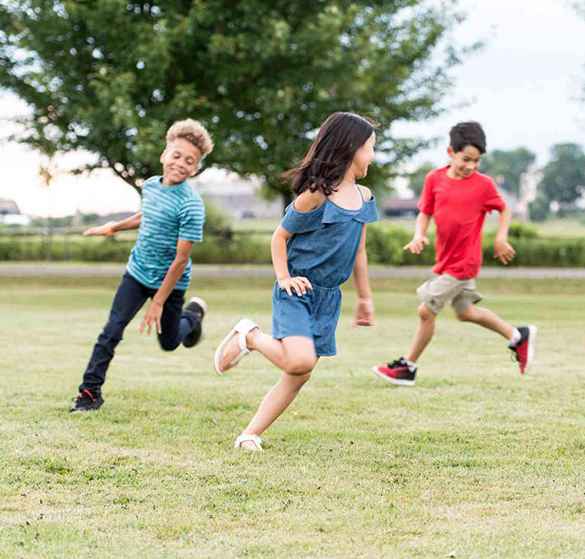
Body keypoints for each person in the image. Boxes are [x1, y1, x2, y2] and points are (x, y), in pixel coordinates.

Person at [213, 112, 377, 451]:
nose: (373, 156)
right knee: (299, 361)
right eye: (371, 148)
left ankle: (249, 435)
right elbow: (279, 236)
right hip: (298, 291)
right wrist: (284, 277)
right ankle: (250, 336)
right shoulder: (316, 194)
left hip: (330, 297)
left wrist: (364, 297)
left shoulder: (365, 196)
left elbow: (359, 251)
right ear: (352, 148)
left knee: (299, 374)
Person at [371, 122, 536, 386]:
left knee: (426, 311)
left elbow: (504, 209)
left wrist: (501, 238)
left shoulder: (484, 185)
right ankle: (518, 336)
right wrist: (419, 234)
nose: (471, 166)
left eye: (477, 161)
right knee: (465, 312)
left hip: (464, 263)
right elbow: (425, 211)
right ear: (451, 152)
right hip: (445, 260)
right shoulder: (434, 179)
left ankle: (407, 367)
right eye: (466, 159)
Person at [70, 119, 212, 412]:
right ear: (164, 155)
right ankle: (89, 395)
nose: (181, 164)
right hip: (136, 273)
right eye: (176, 156)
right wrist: (114, 227)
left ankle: (194, 316)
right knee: (111, 331)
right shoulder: (150, 186)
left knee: (170, 343)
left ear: (195, 168)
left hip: (170, 284)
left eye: (189, 161)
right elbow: (145, 215)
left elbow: (181, 259)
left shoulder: (192, 205)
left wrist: (159, 301)